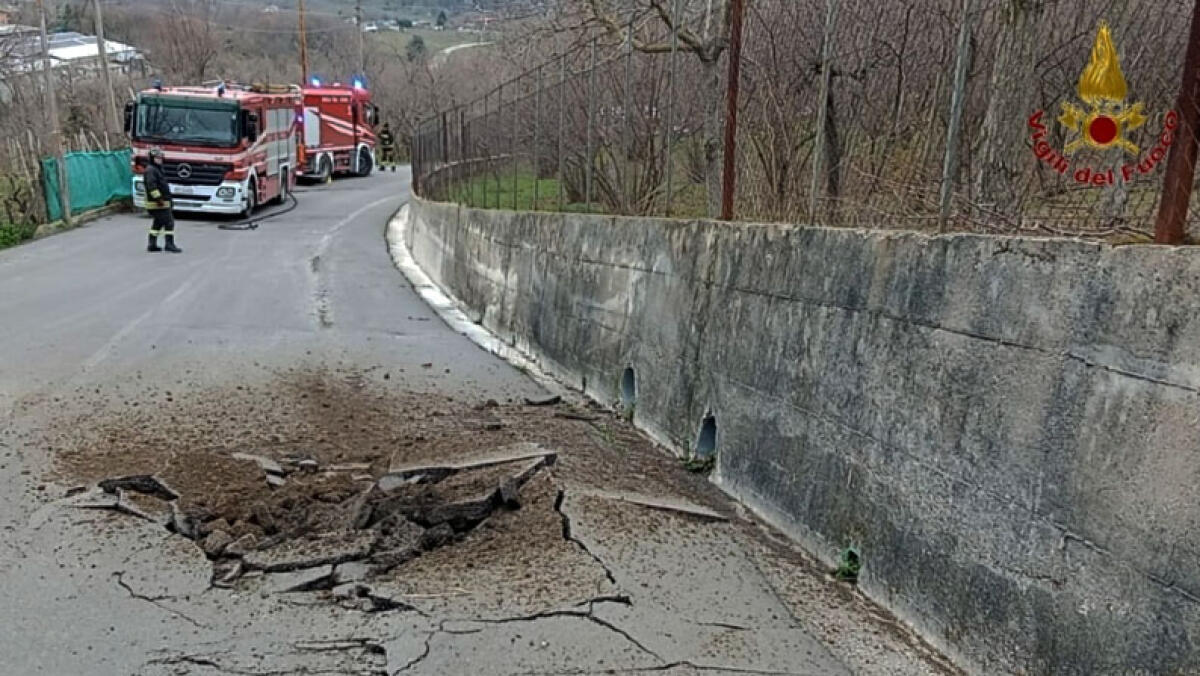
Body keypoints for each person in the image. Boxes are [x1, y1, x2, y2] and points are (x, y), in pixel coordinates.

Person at [144, 148, 181, 253]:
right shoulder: (151, 170)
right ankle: (169, 244)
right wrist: (158, 199)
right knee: (169, 222)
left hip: (162, 202)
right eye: (157, 158)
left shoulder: (157, 169)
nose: (159, 159)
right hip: (157, 203)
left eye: (160, 158)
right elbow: (152, 186)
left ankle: (152, 244)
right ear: (152, 158)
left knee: (158, 223)